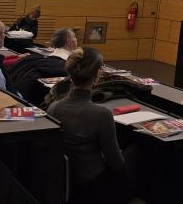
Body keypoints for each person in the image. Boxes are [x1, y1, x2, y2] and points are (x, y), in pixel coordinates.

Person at [48, 47, 132, 204]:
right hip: (94, 186)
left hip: (67, 182)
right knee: (135, 152)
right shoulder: (102, 114)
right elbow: (116, 164)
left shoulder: (53, 108)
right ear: (97, 75)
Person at [10, 28, 77, 105]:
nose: (76, 39)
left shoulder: (36, 58)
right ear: (69, 41)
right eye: (75, 37)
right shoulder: (66, 66)